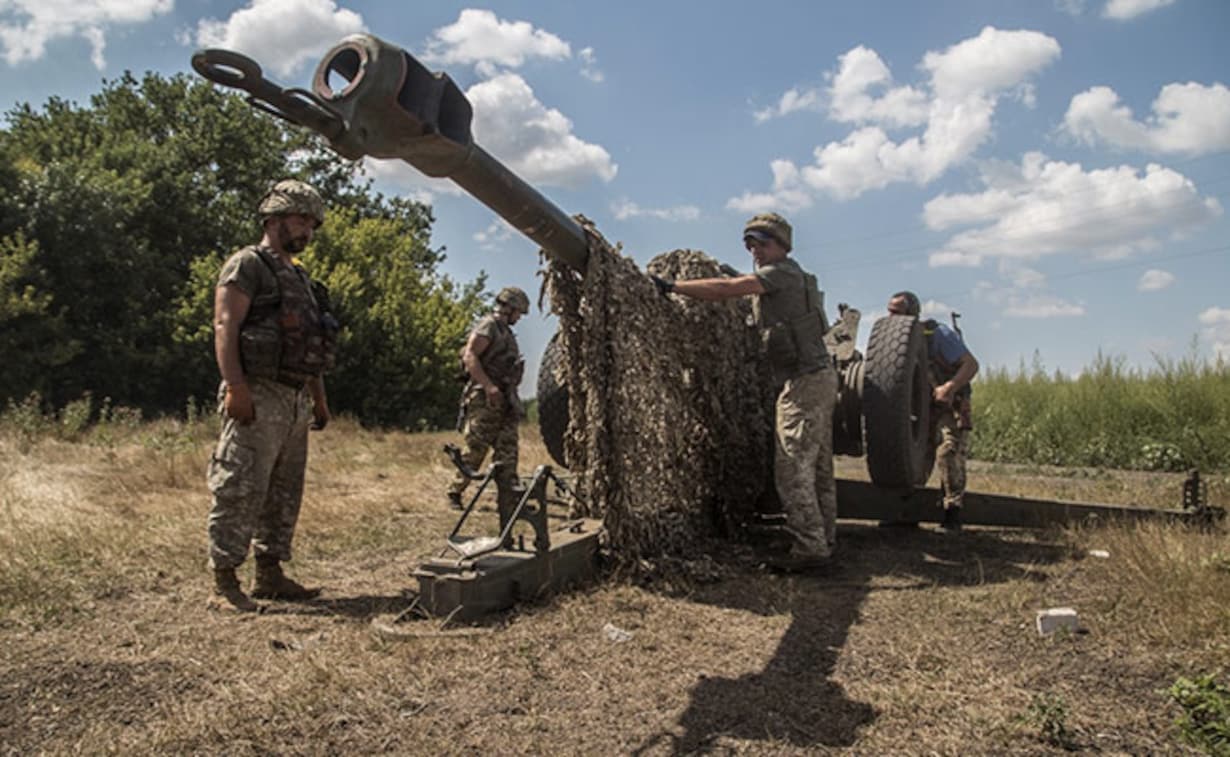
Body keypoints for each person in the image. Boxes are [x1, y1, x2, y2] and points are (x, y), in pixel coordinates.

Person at [651, 213, 837, 571]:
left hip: (805, 381)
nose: (756, 251)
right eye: (751, 245)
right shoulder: (784, 277)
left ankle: (810, 551)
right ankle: (822, 540)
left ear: (783, 246)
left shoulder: (783, 272)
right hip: (813, 378)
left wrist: (673, 287)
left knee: (792, 466)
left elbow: (726, 290)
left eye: (763, 244)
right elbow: (740, 289)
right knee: (818, 469)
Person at [206, 179, 336, 611]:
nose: (307, 232)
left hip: (294, 395)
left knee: (284, 491)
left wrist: (318, 398)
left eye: (312, 225)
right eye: (301, 221)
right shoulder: (248, 264)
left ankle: (270, 573)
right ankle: (225, 582)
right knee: (240, 484)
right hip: (257, 391)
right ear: (274, 218)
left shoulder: (299, 275)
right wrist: (237, 387)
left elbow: (310, 341)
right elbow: (225, 326)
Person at [887, 291, 979, 532]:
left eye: (897, 312)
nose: (891, 316)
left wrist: (949, 387)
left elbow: (971, 364)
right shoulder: (892, 342)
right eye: (889, 311)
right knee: (912, 456)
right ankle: (906, 512)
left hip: (949, 403)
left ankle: (952, 513)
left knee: (948, 451)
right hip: (921, 407)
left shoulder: (936, 335)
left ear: (912, 314)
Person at [447, 287, 529, 525]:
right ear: (509, 307)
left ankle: (508, 498)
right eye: (519, 313)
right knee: (476, 448)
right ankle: (455, 491)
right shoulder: (488, 326)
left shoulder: (507, 333)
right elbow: (470, 356)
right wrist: (488, 386)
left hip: (505, 398)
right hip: (485, 398)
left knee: (508, 450)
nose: (519, 318)